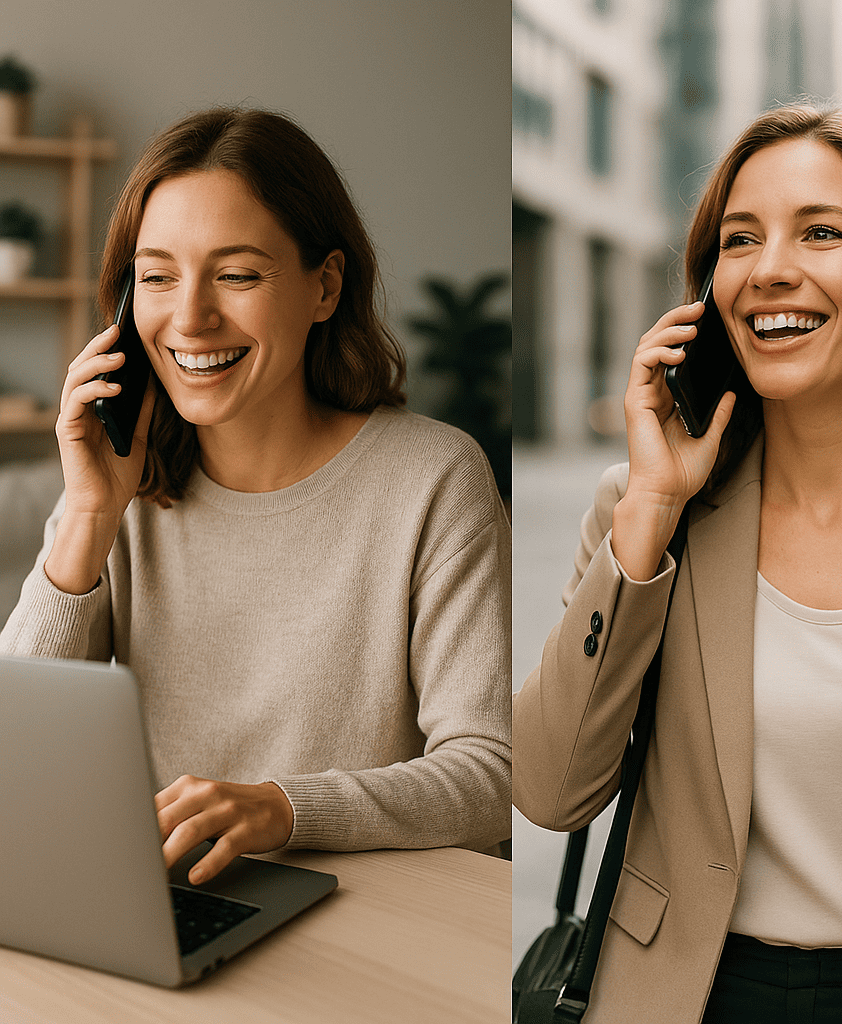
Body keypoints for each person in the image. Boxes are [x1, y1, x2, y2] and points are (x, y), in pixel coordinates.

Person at [513, 103, 842, 1023]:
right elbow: (550, 791)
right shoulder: (642, 509)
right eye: (738, 240)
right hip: (683, 997)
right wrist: (651, 516)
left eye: (821, 232)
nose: (770, 269)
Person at [1, 107, 511, 885]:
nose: (191, 318)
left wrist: (284, 808)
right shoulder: (121, 490)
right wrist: (89, 515)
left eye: (237, 274)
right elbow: (16, 757)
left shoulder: (434, 479)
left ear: (325, 287)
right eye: (159, 276)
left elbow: (491, 773)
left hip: (373, 926)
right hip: (168, 906)